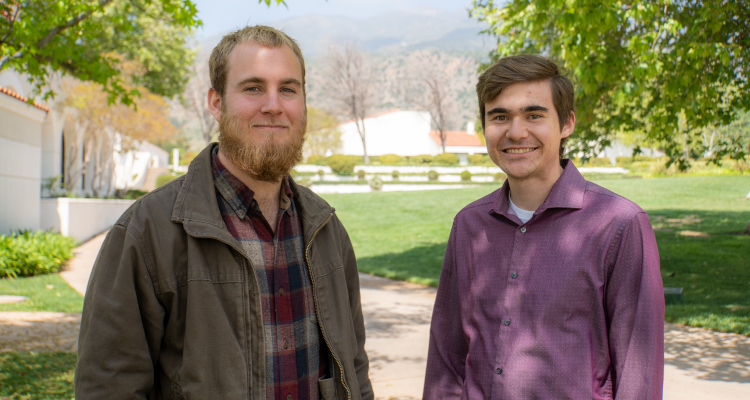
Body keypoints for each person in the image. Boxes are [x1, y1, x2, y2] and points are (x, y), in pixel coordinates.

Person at [76, 26, 373, 400]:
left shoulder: (326, 229)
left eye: (288, 88)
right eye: (252, 88)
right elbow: (109, 387)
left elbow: (354, 369)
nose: (273, 104)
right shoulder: (147, 232)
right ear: (216, 103)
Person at [423, 54, 664, 399]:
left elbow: (639, 371)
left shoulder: (619, 224)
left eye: (534, 115)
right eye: (500, 116)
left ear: (567, 123)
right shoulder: (469, 225)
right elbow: (446, 356)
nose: (515, 131)